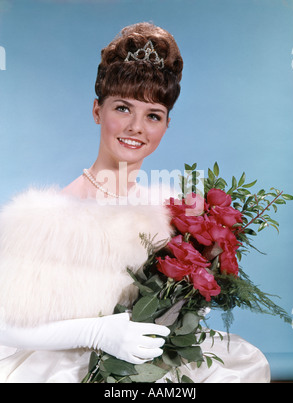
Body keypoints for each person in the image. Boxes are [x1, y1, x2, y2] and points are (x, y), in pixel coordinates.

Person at [0, 22, 270, 383]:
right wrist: (96, 334)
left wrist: (184, 305)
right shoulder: (45, 217)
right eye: (123, 108)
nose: (136, 127)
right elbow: (5, 326)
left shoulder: (170, 213)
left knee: (242, 366)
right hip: (65, 367)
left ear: (166, 125)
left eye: (153, 115)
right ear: (97, 111)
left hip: (148, 366)